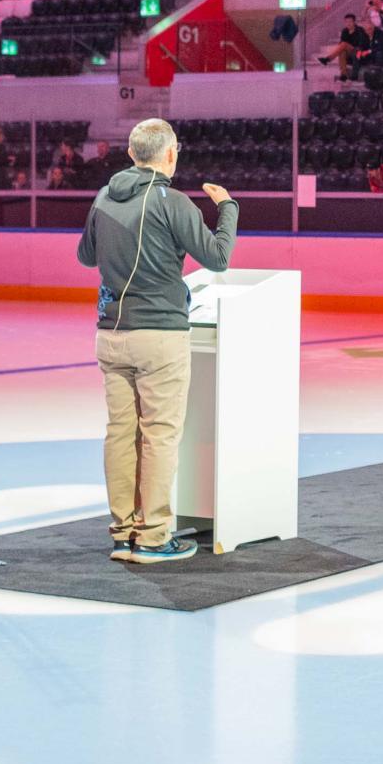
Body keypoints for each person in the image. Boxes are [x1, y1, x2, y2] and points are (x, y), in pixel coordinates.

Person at [75, 120, 237, 564]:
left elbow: (86, 256)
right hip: (160, 336)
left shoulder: (104, 197)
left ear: (130, 154)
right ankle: (153, 537)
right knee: (159, 436)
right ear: (170, 155)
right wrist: (227, 209)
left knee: (120, 434)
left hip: (111, 334)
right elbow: (218, 257)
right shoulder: (173, 201)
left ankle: (123, 533)